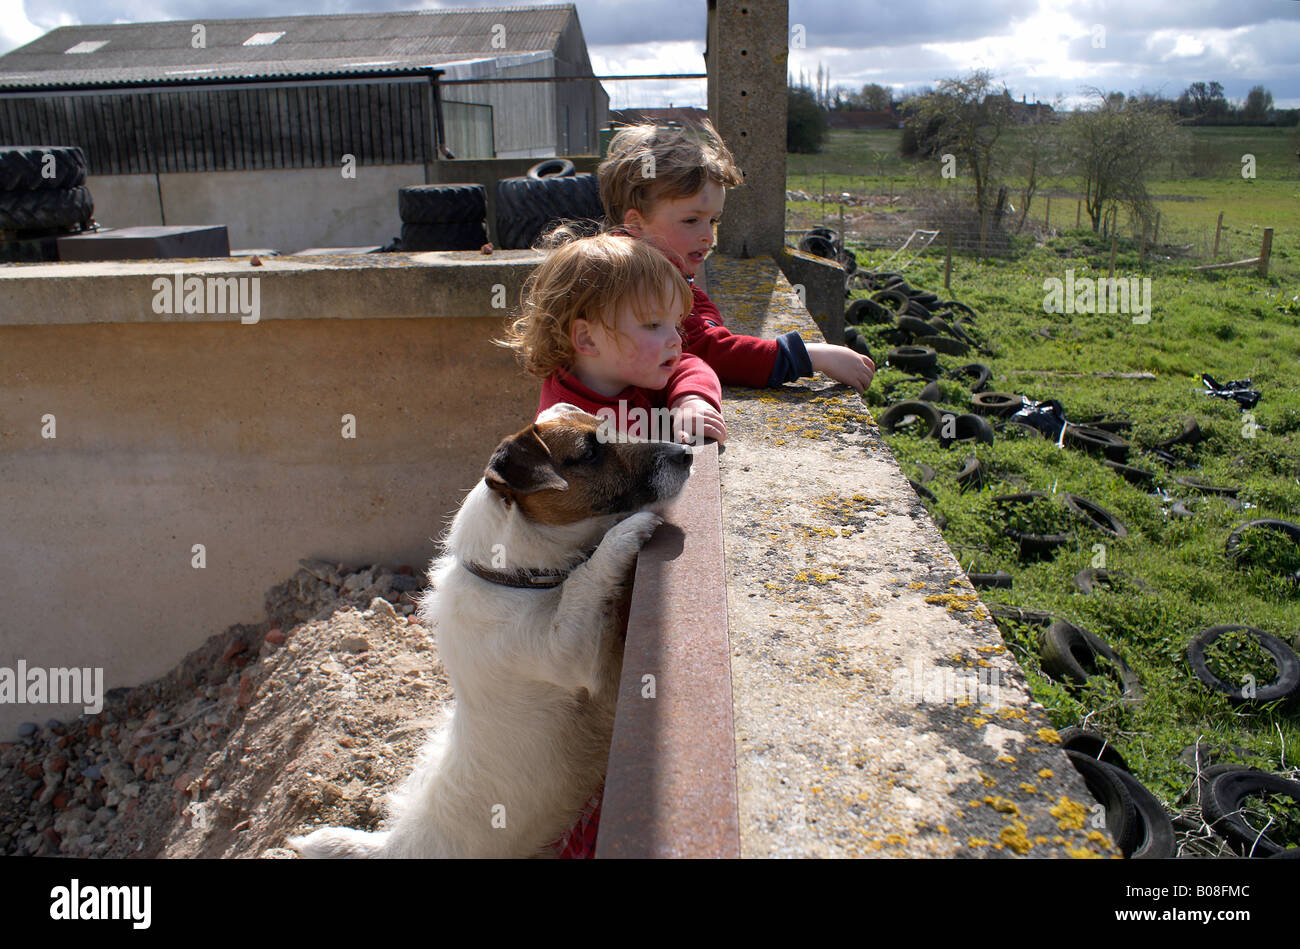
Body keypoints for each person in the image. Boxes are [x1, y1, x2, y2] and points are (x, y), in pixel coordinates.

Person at [597, 120, 875, 394]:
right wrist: (811, 356)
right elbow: (711, 351)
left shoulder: (645, 262)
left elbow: (695, 311)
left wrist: (708, 324)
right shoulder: (638, 279)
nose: (708, 235)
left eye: (713, 221)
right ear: (636, 224)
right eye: (691, 220)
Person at [501, 228, 727, 447]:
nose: (676, 340)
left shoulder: (630, 373)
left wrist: (690, 401)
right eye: (653, 324)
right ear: (587, 339)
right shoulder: (566, 435)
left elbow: (690, 366)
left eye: (677, 325)